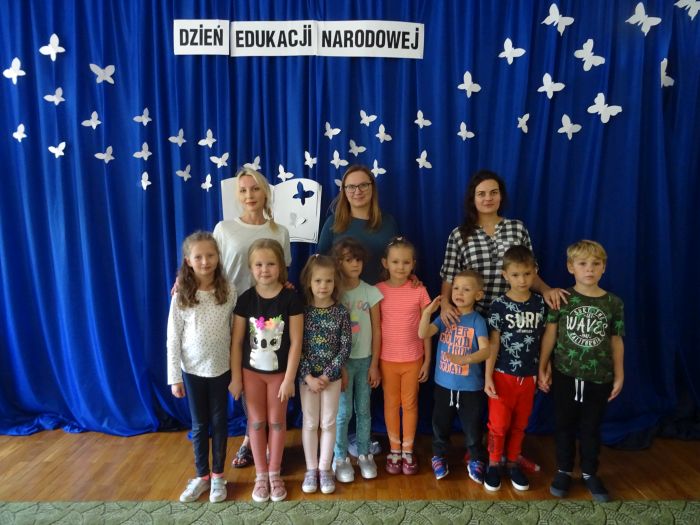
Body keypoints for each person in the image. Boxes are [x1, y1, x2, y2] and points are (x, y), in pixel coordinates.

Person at [214, 167, 292, 469]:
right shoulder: (224, 229)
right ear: (238, 195)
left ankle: (256, 440)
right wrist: (184, 279)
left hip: (269, 320)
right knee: (246, 376)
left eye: (256, 189)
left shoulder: (279, 232)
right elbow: (208, 267)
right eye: (244, 190)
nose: (250, 195)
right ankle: (252, 435)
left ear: (266, 193)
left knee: (266, 371)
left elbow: (284, 275)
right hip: (234, 313)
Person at [538, 240, 625, 502]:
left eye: (595, 264)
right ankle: (564, 470)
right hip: (565, 374)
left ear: (604, 268)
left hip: (599, 377)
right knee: (564, 424)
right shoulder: (562, 298)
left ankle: (589, 472)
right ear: (570, 267)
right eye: (583, 263)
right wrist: (543, 366)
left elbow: (616, 340)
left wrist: (620, 373)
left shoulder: (613, 303)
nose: (589, 269)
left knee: (591, 427)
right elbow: (550, 334)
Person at [228, 239, 304, 502]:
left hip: (279, 376)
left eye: (270, 264)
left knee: (277, 421)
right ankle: (260, 475)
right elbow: (237, 342)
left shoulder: (291, 299)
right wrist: (236, 378)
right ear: (250, 268)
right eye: (258, 264)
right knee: (257, 422)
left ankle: (274, 473)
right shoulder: (245, 300)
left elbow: (296, 342)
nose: (264, 269)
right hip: (251, 375)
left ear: (281, 266)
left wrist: (289, 378)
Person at [440, 169, 566, 323]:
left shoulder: (517, 228)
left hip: (513, 317)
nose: (488, 198)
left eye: (494, 192)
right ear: (473, 198)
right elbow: (449, 277)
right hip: (473, 317)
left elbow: (528, 271)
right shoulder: (459, 234)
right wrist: (445, 305)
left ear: (501, 196)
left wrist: (546, 290)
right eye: (481, 194)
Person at [167, 231, 236, 503]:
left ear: (218, 257)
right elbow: (173, 338)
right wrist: (175, 377)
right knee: (199, 425)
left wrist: (237, 371)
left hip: (221, 368)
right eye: (198, 257)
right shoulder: (181, 295)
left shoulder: (228, 291)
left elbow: (236, 333)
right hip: (192, 371)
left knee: (219, 423)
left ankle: (218, 476)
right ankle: (202, 476)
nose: (205, 261)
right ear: (188, 260)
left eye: (210, 255)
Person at [483, 246, 547, 492]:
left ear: (535, 272)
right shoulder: (499, 305)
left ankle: (512, 462)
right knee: (498, 425)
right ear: (505, 275)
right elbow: (493, 343)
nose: (522, 280)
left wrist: (544, 369)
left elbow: (544, 340)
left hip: (528, 377)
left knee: (520, 424)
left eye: (527, 274)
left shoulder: (539, 304)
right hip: (502, 375)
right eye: (516, 275)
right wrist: (488, 376)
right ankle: (493, 463)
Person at [418, 270, 490, 484]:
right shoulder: (446, 317)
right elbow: (422, 334)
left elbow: (486, 351)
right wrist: (427, 312)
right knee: (440, 425)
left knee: (473, 428)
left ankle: (476, 459)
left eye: (466, 289)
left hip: (470, 388)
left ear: (478, 295)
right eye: (456, 288)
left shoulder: (477, 320)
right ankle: (439, 457)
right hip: (444, 385)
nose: (459, 292)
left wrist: (465, 359)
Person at [376, 237, 431, 475]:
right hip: (387, 360)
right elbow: (375, 329)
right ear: (385, 263)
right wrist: (374, 363)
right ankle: (394, 449)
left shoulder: (420, 290)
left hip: (413, 359)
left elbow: (427, 329)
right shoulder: (378, 291)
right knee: (390, 404)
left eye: (406, 262)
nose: (400, 267)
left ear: (413, 264)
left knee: (409, 404)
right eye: (395, 262)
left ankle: (408, 450)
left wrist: (428, 360)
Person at [297, 255, 352, 494]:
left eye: (328, 281)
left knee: (329, 423)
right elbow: (296, 347)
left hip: (332, 379)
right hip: (307, 379)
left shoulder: (340, 312)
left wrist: (328, 375)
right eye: (318, 281)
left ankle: (324, 468)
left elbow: (345, 347)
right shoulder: (302, 312)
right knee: (310, 423)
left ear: (335, 282)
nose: (323, 286)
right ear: (309, 282)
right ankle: (311, 469)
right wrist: (308, 376)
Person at [331, 238, 383, 483]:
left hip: (365, 362)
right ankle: (340, 457)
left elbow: (377, 330)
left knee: (364, 410)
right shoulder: (335, 293)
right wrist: (339, 366)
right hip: (343, 363)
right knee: (343, 413)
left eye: (358, 260)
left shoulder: (370, 292)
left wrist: (374, 365)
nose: (355, 264)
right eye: (348, 260)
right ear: (339, 263)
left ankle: (364, 454)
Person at [317, 165, 398, 285]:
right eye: (351, 187)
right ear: (344, 191)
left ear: (372, 187)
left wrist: (408, 278)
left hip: (381, 293)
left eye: (363, 185)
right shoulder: (333, 222)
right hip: (342, 293)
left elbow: (398, 260)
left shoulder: (388, 222)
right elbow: (319, 264)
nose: (358, 191)